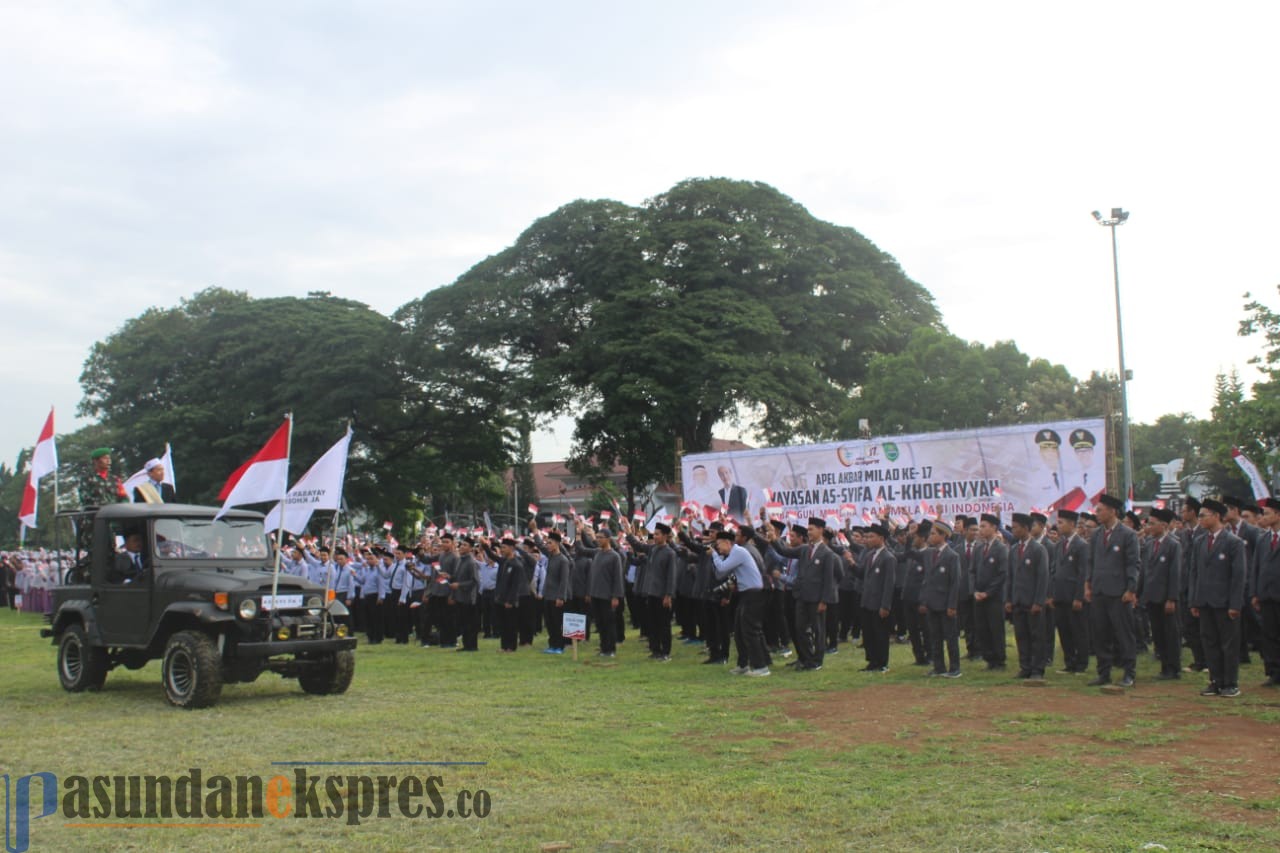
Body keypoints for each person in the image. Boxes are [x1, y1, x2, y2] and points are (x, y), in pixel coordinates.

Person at [1188, 498, 1247, 697]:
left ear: (1216, 516)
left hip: (1224, 602)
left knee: (1228, 644)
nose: (1201, 519)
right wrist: (1194, 600)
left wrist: (1235, 604)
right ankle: (1215, 680)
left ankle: (1230, 682)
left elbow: (1239, 576)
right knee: (1209, 642)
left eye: (1204, 515)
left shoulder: (1233, 542)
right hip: (1205, 601)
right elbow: (1194, 573)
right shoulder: (1199, 541)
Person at [1085, 494, 1140, 688]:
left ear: (1112, 511)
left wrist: (1131, 589)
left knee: (1124, 634)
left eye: (1100, 510)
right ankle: (1104, 672)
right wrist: (1088, 584)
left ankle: (1129, 673)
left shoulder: (1128, 534)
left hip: (1119, 592)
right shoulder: (1097, 534)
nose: (1097, 514)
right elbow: (1091, 562)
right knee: (1101, 634)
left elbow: (1133, 564)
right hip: (1099, 590)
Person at [712, 529, 770, 676]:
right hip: (746, 594)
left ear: (727, 542)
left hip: (753, 594)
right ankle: (743, 664)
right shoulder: (733, 554)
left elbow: (721, 568)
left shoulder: (738, 552)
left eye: (718, 544)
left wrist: (713, 554)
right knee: (738, 631)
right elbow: (720, 575)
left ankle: (761, 667)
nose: (717, 548)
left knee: (751, 631)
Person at [1005, 513, 1049, 680]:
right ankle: (1025, 667)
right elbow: (1010, 577)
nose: (1013, 530)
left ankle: (1038, 669)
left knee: (1036, 636)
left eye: (1016, 527)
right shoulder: (1015, 549)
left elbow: (1043, 577)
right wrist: (1009, 599)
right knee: (1021, 635)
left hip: (1033, 602)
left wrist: (1038, 601)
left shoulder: (1039, 549)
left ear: (1025, 528)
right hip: (1018, 600)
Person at [1141, 508, 1183, 680]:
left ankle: (1173, 668)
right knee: (1158, 633)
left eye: (1152, 523)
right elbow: (1145, 571)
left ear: (1164, 525)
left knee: (1170, 634)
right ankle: (1164, 666)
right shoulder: (1150, 543)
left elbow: (1175, 573)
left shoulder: (1174, 545)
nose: (1149, 527)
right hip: (1152, 596)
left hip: (1166, 597)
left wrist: (1172, 598)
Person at [919, 520, 962, 678]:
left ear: (943, 535)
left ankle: (954, 668)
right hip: (932, 602)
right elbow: (926, 580)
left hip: (945, 604)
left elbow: (955, 582)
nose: (930, 537)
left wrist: (952, 605)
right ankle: (939, 667)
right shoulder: (929, 554)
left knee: (950, 637)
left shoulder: (952, 556)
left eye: (933, 534)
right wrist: (924, 601)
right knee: (934, 636)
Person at [1051, 510, 1091, 674]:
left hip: (1073, 595)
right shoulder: (1059, 544)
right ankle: (1069, 662)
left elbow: (1083, 573)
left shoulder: (1081, 545)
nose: (1058, 526)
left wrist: (1079, 597)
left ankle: (1081, 664)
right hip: (1060, 595)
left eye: (1061, 523)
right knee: (1064, 631)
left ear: (1072, 524)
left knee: (1078, 631)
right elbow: (1055, 570)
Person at [971, 513, 1009, 670]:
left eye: (984, 526)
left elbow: (1002, 574)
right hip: (979, 596)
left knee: (995, 628)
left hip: (994, 597)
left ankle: (999, 659)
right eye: (980, 526)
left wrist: (988, 592)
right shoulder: (979, 548)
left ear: (994, 528)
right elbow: (971, 571)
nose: (981, 530)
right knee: (982, 628)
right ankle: (989, 658)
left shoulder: (1001, 548)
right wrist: (975, 590)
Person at [1251, 496, 1280, 687]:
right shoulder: (1263, 539)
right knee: (1269, 634)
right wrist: (1254, 593)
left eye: (1268, 513)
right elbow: (1256, 567)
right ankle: (1273, 671)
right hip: (1266, 594)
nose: (1264, 517)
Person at [585, 529, 625, 657]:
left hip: (607, 596)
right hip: (595, 595)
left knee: (609, 623)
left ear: (608, 539)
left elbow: (617, 578)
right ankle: (603, 647)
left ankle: (610, 649)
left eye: (601, 537)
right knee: (600, 623)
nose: (598, 539)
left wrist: (615, 596)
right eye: (597, 537)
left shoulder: (614, 556)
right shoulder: (597, 554)